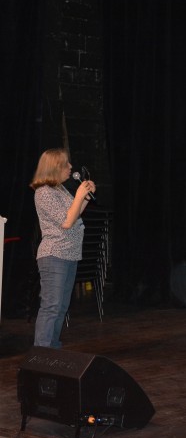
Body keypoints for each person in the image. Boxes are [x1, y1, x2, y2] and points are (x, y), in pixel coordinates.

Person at [29, 148, 96, 348]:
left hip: (69, 253)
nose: (70, 167)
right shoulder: (43, 192)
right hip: (54, 254)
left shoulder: (59, 189)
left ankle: (52, 350)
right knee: (52, 306)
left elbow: (73, 215)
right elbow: (66, 222)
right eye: (67, 164)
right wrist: (79, 195)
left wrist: (84, 197)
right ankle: (42, 353)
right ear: (55, 166)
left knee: (61, 307)